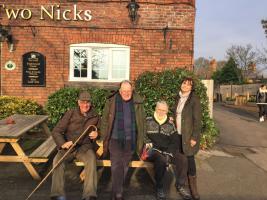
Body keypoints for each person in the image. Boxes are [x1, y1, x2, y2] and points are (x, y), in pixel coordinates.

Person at [100, 80, 146, 200]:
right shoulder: (112, 101)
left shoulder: (138, 102)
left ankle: (114, 192)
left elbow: (142, 122)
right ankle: (119, 193)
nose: (126, 93)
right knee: (116, 165)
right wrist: (104, 137)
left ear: (132, 91)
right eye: (124, 91)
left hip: (130, 139)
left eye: (129, 91)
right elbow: (104, 120)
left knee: (125, 165)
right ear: (120, 91)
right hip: (114, 138)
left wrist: (143, 138)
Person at [51, 91, 100, 200]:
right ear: (78, 102)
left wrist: (98, 133)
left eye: (88, 102)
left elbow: (101, 131)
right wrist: (63, 143)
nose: (85, 105)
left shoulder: (95, 116)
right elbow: (56, 131)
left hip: (85, 148)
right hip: (68, 148)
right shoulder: (70, 113)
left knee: (91, 160)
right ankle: (57, 195)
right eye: (83, 102)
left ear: (90, 103)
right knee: (57, 161)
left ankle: (89, 195)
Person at [144, 101, 190, 200]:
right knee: (161, 160)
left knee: (183, 159)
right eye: (159, 109)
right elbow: (142, 135)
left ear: (167, 111)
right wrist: (148, 143)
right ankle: (159, 187)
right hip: (153, 150)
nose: (161, 112)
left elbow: (175, 141)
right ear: (156, 109)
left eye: (164, 110)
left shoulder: (170, 124)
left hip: (167, 150)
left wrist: (169, 152)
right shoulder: (147, 120)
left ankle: (180, 185)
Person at [172, 77, 202, 200]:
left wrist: (194, 137)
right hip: (178, 134)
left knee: (190, 161)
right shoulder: (178, 97)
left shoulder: (194, 99)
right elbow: (177, 114)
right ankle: (181, 184)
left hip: (188, 136)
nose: (185, 85)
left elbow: (197, 120)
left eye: (188, 84)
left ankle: (193, 188)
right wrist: (172, 118)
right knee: (181, 161)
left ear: (191, 87)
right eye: (183, 83)